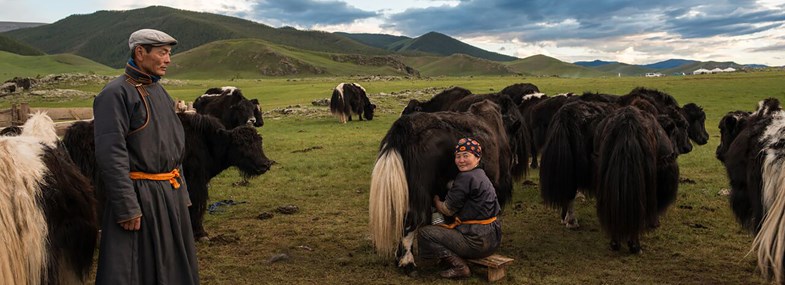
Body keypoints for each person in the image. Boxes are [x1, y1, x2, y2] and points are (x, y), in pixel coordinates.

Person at [93, 28, 199, 284]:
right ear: (140, 53)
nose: (168, 60)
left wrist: (182, 194)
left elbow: (173, 149)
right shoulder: (115, 94)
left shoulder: (160, 92)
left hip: (169, 195)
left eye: (169, 53)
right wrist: (127, 206)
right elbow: (111, 153)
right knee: (136, 271)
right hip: (141, 198)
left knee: (173, 269)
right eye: (162, 53)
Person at [418, 137, 502, 279]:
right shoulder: (481, 174)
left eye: (466, 155)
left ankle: (459, 267)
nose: (461, 160)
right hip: (493, 239)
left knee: (425, 233)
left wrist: (436, 201)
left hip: (477, 242)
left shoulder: (465, 178)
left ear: (477, 157)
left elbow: (447, 209)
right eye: (458, 156)